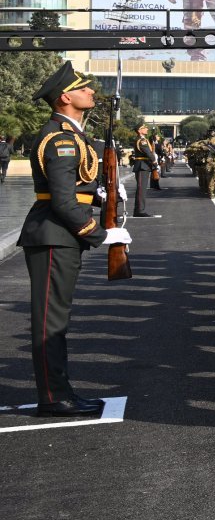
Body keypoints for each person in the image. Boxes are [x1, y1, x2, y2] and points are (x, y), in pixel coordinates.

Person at [19, 61, 133, 417]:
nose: (91, 92)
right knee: (50, 322)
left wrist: (101, 198)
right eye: (83, 88)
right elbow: (63, 201)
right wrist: (100, 234)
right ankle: (54, 398)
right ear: (65, 98)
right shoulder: (61, 139)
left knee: (57, 320)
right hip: (53, 235)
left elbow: (75, 190)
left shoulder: (72, 135)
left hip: (59, 235)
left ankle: (61, 392)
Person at [128, 124, 158, 217]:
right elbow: (148, 152)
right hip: (142, 166)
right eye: (144, 128)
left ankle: (138, 210)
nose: (147, 129)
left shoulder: (142, 140)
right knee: (141, 189)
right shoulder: (142, 141)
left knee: (142, 189)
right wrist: (154, 161)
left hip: (143, 165)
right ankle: (140, 211)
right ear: (139, 130)